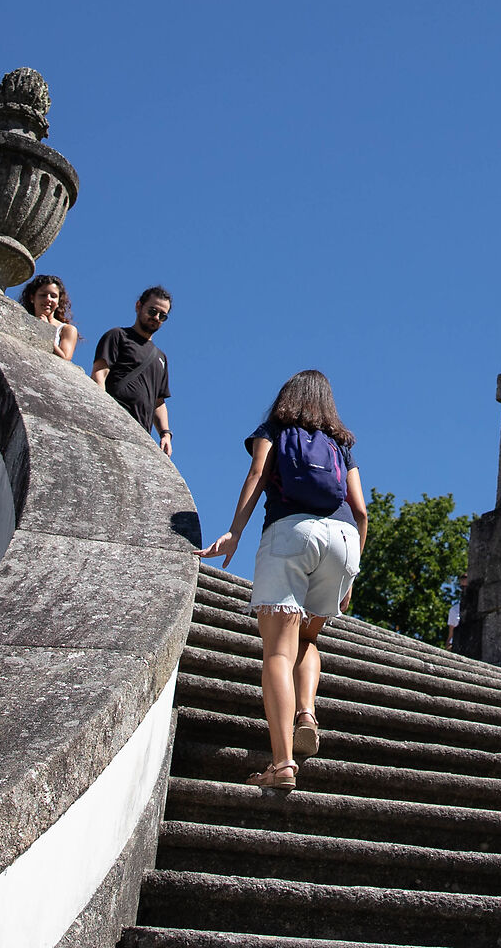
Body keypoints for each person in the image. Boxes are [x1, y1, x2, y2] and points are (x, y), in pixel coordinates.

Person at [199, 369, 367, 790]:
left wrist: (233, 533)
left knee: (277, 651)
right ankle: (307, 713)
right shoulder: (341, 443)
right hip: (344, 541)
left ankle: (282, 764)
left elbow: (257, 475)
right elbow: (361, 510)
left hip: (291, 532)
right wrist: (352, 577)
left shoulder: (274, 427)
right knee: (308, 639)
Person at [92, 286, 173, 454]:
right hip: (112, 421)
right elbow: (99, 374)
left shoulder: (161, 357)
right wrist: (102, 411)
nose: (156, 317)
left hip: (141, 433)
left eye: (163, 316)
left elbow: (159, 402)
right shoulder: (117, 336)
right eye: (152, 311)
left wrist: (165, 434)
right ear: (138, 306)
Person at [19, 274, 80, 364]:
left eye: (53, 296)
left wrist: (45, 331)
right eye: (43, 295)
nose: (48, 299)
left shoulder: (67, 330)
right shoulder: (23, 323)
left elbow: (65, 360)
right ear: (32, 298)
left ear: (59, 301)